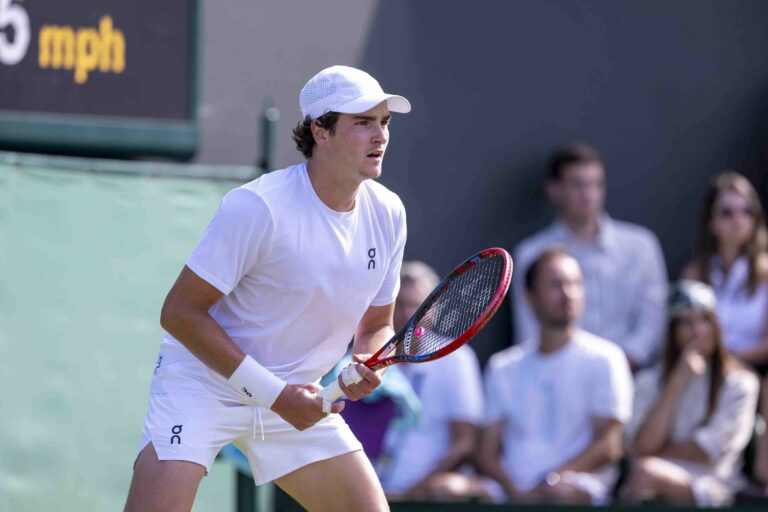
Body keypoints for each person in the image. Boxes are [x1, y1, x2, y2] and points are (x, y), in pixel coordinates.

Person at [124, 65, 411, 512]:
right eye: (362, 123)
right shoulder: (257, 208)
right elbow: (179, 313)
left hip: (301, 394)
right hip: (204, 385)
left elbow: (378, 323)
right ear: (321, 131)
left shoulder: (388, 213)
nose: (380, 137)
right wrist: (275, 395)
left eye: (384, 122)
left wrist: (369, 364)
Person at [479, 247, 633, 504]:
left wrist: (550, 481)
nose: (568, 293)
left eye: (574, 283)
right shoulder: (502, 367)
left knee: (558, 494)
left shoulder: (606, 358)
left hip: (576, 486)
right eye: (555, 285)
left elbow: (610, 444)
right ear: (529, 297)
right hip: (511, 491)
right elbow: (487, 452)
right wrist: (516, 492)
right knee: (447, 489)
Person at [512, 142, 668, 370]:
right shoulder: (531, 253)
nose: (588, 195)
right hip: (558, 381)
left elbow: (653, 323)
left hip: (634, 381)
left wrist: (614, 367)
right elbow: (528, 331)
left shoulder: (642, 246)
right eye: (577, 185)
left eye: (596, 184)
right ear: (554, 189)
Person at [621, 280, 760, 506]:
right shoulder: (648, 381)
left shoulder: (740, 384)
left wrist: (655, 451)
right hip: (649, 477)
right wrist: (677, 382)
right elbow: (641, 445)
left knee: (645, 472)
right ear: (673, 330)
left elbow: (706, 452)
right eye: (686, 322)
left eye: (705, 320)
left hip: (713, 485)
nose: (698, 331)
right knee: (644, 475)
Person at [377, 261, 488, 502]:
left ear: (434, 310)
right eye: (400, 306)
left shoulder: (457, 360)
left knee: (449, 487)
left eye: (417, 307)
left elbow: (466, 442)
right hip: (373, 486)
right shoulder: (365, 360)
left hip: (428, 491)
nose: (408, 316)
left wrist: (414, 492)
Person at [681, 171, 768, 371]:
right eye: (727, 212)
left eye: (747, 210)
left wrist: (728, 359)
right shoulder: (694, 275)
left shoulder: (765, 273)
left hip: (753, 371)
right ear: (711, 221)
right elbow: (682, 334)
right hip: (703, 369)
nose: (738, 220)